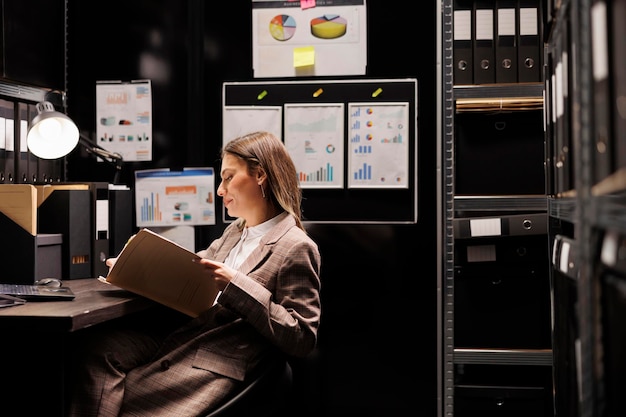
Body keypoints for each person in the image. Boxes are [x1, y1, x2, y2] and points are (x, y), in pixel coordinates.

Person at [69, 131, 322, 416]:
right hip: (184, 336)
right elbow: (198, 263)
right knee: (97, 350)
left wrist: (235, 285)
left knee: (125, 399)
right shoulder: (236, 231)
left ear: (260, 175)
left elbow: (302, 337)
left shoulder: (296, 246)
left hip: (216, 358)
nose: (220, 190)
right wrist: (139, 266)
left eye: (228, 177)